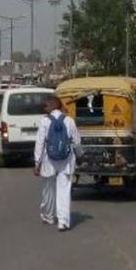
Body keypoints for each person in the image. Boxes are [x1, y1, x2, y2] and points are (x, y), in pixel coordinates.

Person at [34, 95, 82, 232]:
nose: (44, 108)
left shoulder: (44, 121)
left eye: (45, 106)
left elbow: (39, 143)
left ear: (51, 106)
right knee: (64, 190)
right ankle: (63, 222)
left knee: (48, 189)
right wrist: (80, 156)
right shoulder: (69, 120)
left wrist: (36, 162)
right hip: (66, 160)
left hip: (49, 160)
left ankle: (48, 216)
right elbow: (76, 141)